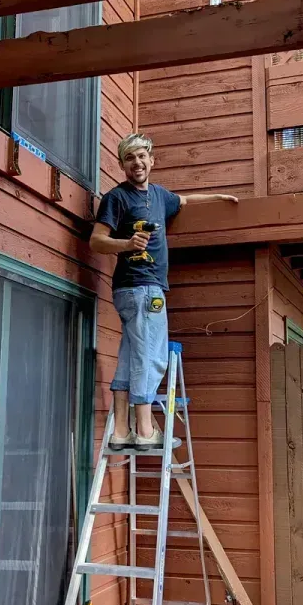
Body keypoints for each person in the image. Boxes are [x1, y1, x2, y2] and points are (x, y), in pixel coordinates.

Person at [90, 133, 238, 451]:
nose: (137, 162)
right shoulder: (117, 198)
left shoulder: (159, 196)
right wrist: (127, 244)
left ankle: (119, 431)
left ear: (152, 161)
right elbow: (96, 240)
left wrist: (222, 197)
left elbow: (184, 200)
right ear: (122, 165)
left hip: (139, 291)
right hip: (141, 288)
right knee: (153, 358)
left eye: (142, 156)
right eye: (130, 158)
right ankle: (145, 431)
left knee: (131, 356)